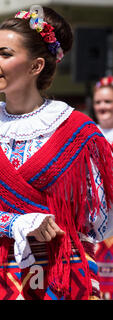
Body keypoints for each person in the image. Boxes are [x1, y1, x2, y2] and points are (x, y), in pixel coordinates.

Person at [0, 6, 113, 300]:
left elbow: (101, 218)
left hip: (61, 277)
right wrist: (12, 222)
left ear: (36, 66)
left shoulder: (77, 131)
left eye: (5, 54)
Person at [92, 75, 113, 299]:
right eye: (99, 102)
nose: (102, 107)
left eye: (108, 102)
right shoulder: (90, 134)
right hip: (94, 219)